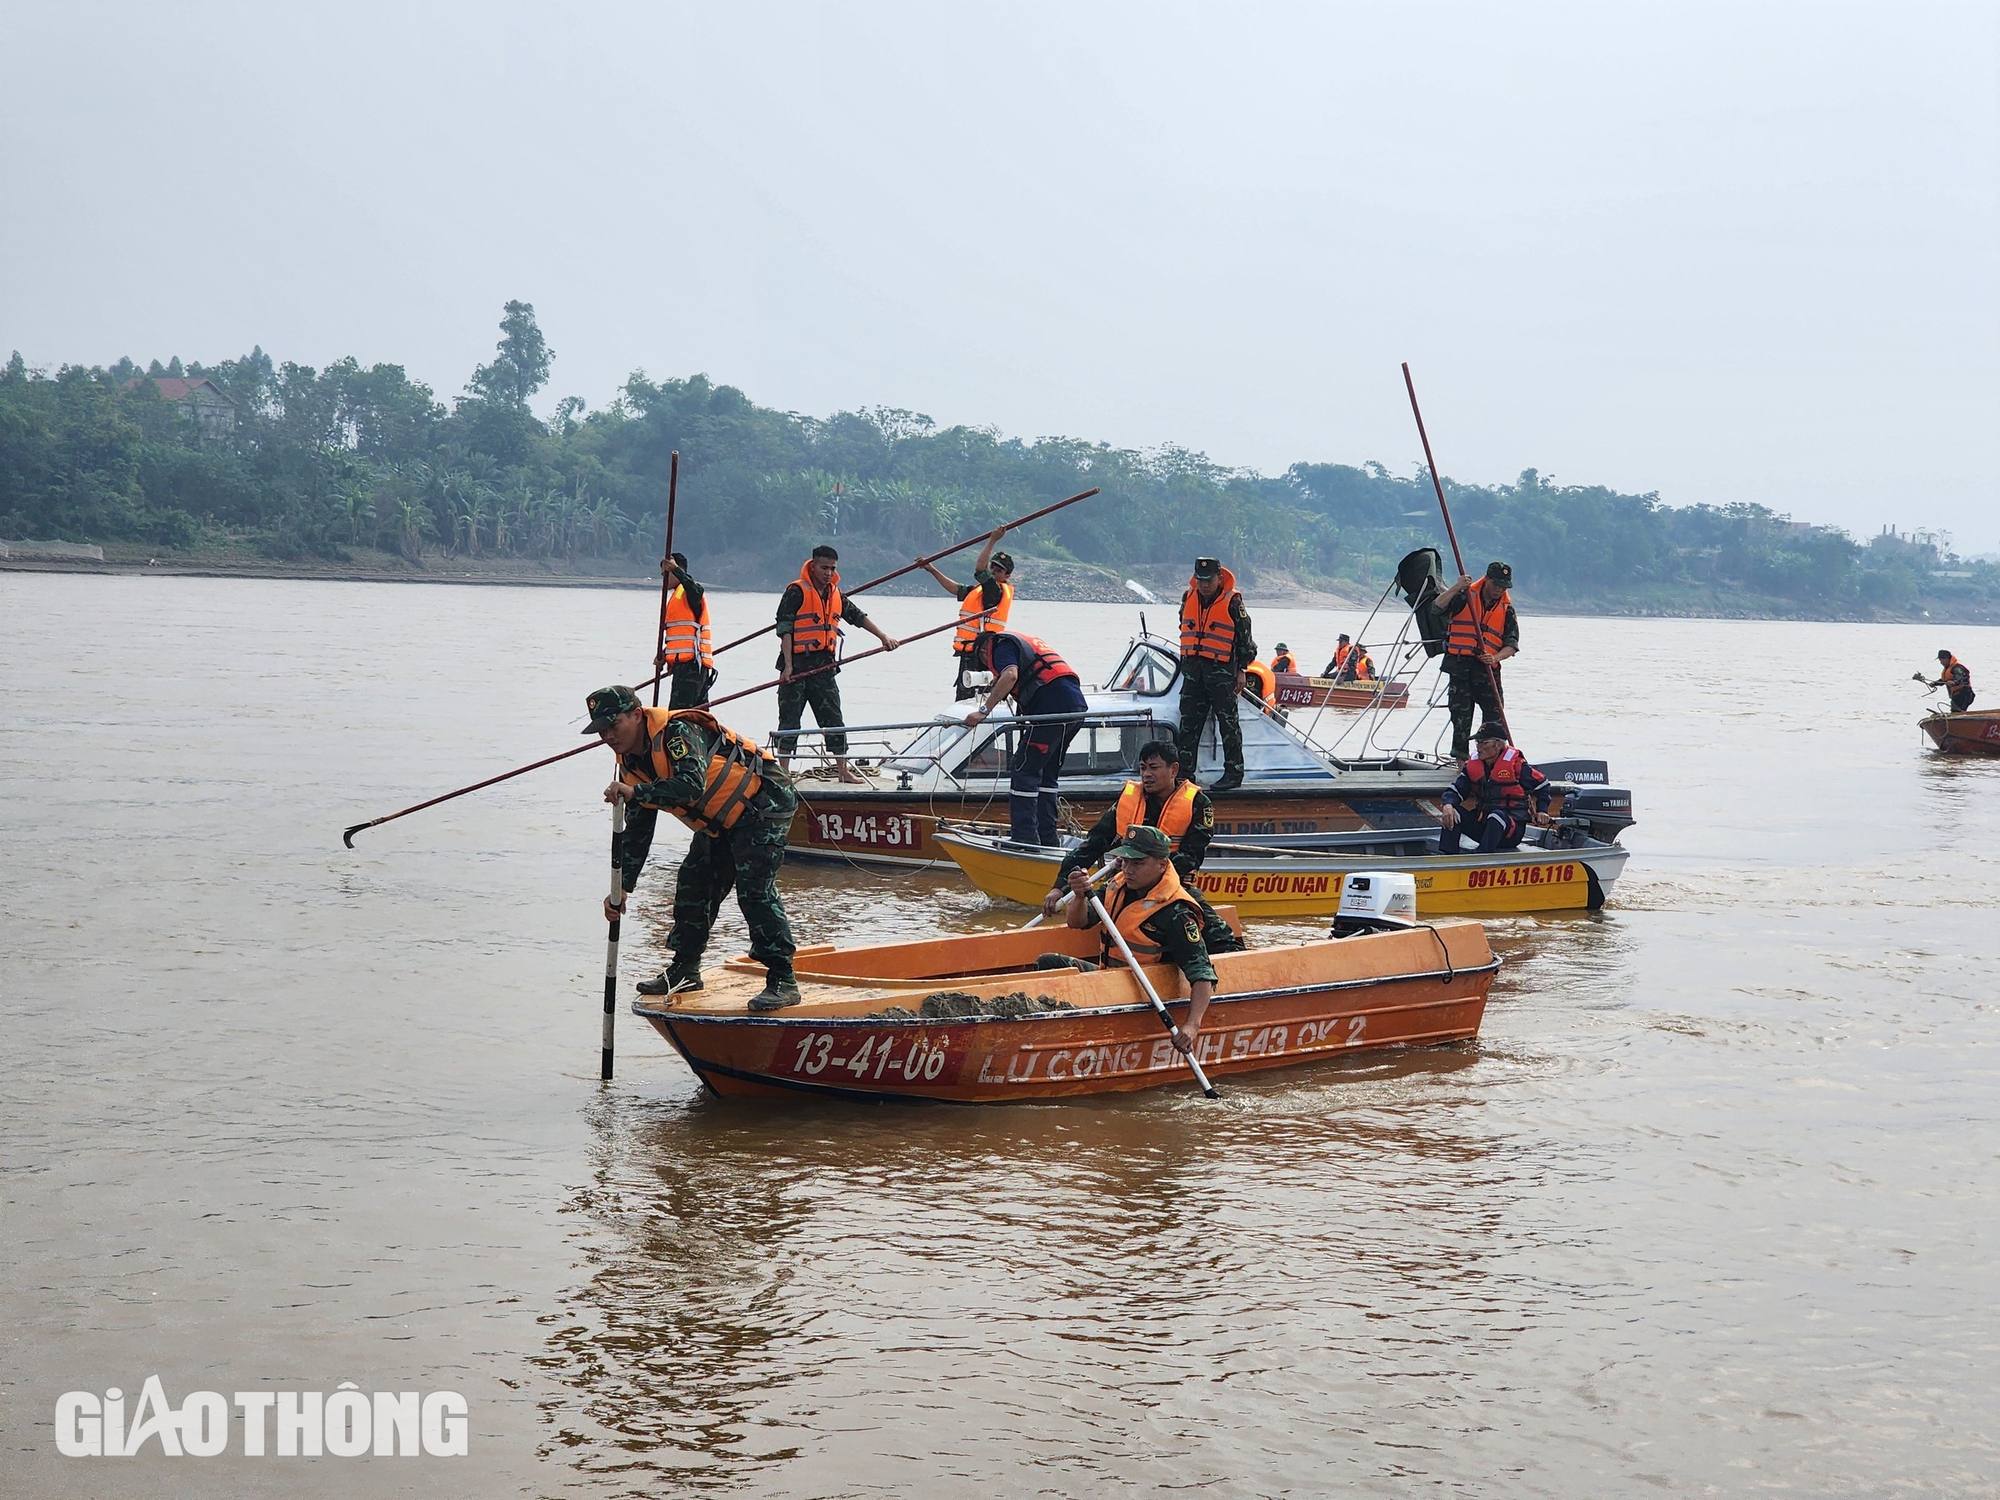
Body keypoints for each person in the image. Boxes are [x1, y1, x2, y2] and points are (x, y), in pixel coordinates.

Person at [585, 685, 802, 1011]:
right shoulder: (630, 763)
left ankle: (783, 978)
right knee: (694, 882)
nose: (608, 736)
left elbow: (690, 784)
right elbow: (638, 831)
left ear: (636, 714)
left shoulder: (677, 732)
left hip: (762, 804)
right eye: (601, 730)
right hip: (719, 820)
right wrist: (621, 887)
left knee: (754, 888)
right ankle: (685, 969)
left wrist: (637, 793)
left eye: (613, 725)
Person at [1045, 738, 1244, 954]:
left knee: (1221, 938)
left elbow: (1191, 857)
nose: (1146, 774)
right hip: (1125, 882)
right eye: (1142, 768)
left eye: (1154, 768)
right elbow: (1093, 844)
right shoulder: (1129, 799)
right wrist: (1059, 886)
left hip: (1173, 888)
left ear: (1173, 769)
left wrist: (1148, 873)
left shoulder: (1198, 804)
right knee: (1087, 912)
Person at [1059, 825, 1218, 1058]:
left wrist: (1192, 1025)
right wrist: (1080, 895)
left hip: (1142, 993)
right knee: (1050, 963)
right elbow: (1077, 922)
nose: (1129, 870)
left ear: (1161, 865)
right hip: (1111, 978)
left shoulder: (1176, 912)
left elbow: (1202, 974)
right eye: (1125, 862)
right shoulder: (1118, 885)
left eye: (1138, 863)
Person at [774, 545, 899, 783]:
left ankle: (843, 770)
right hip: (797, 665)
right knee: (789, 720)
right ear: (812, 565)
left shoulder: (836, 594)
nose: (828, 573)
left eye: (832, 569)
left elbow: (858, 617)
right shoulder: (796, 591)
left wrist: (884, 638)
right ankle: (783, 773)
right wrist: (788, 666)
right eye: (824, 568)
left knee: (833, 718)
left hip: (823, 667)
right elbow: (785, 629)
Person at [963, 628, 1089, 846]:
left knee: (1024, 769)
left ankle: (1024, 837)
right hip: (1075, 709)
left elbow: (1010, 674)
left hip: (1051, 711)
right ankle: (1047, 837)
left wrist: (983, 710)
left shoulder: (999, 646)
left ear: (984, 651)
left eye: (985, 662)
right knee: (1047, 775)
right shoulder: (1022, 642)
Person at [1177, 556, 1257, 792]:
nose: (1204, 585)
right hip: (1193, 672)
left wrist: (1242, 669)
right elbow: (1183, 624)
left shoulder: (1233, 602)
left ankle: (1233, 773)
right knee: (1189, 723)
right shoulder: (1188, 597)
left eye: (1209, 580)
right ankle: (1184, 775)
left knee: (1228, 723)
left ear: (1219, 578)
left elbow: (1246, 639)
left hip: (1221, 672)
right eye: (1200, 580)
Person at [1434, 560, 1519, 760]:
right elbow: (1436, 608)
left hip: (1487, 669)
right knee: (1461, 717)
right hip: (1460, 667)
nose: (1499, 589)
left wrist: (1495, 657)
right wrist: (1456, 587)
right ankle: (1461, 761)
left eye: (1503, 586)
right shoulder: (1464, 596)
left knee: (1495, 717)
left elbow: (1512, 645)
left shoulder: (1507, 609)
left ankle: (1492, 759)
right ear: (1486, 579)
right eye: (1496, 584)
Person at [921, 525, 1015, 700]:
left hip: (980, 654)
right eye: (993, 567)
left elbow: (980, 569)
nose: (993, 571)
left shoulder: (995, 591)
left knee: (971, 698)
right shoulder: (982, 590)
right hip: (971, 652)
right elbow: (956, 589)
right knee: (968, 696)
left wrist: (993, 539)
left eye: (999, 570)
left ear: (1007, 575)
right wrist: (932, 569)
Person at [1438, 721, 1553, 855]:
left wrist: (1542, 811)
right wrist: (1448, 805)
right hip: (1484, 827)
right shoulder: (1472, 766)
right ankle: (1447, 857)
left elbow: (1542, 784)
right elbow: (1455, 790)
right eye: (1477, 743)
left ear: (1498, 744)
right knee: (1452, 811)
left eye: (1483, 742)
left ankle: (1482, 858)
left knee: (1496, 815)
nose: (1479, 747)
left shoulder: (1517, 766)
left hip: (1510, 831)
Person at [655, 551, 715, 709]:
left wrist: (676, 570)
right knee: (697, 713)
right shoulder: (675, 598)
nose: (664, 579)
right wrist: (664, 655)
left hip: (693, 665)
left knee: (679, 713)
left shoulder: (689, 592)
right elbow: (681, 636)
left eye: (666, 574)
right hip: (684, 666)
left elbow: (696, 589)